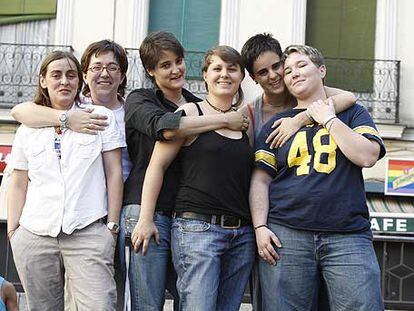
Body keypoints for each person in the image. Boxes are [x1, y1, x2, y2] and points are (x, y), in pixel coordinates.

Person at [250, 44, 385, 310]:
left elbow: (367, 156)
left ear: (322, 70)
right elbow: (260, 180)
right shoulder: (276, 125)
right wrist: (260, 228)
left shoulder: (352, 112)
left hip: (347, 235)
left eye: (301, 66)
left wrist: (328, 118)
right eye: (288, 71)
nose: (293, 74)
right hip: (286, 233)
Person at [124, 32, 248, 311]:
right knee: (148, 303)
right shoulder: (142, 99)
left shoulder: (193, 102)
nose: (175, 69)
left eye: (178, 61)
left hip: (184, 213)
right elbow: (168, 128)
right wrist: (226, 118)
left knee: (190, 299)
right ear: (150, 71)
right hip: (149, 210)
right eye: (165, 65)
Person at [11, 40, 132, 310]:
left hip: (87, 229)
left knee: (100, 305)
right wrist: (13, 231)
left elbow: (114, 173)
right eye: (56, 75)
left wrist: (110, 228)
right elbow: (19, 181)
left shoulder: (98, 116)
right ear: (43, 80)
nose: (64, 81)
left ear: (80, 81)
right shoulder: (28, 126)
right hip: (35, 232)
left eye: (70, 75)